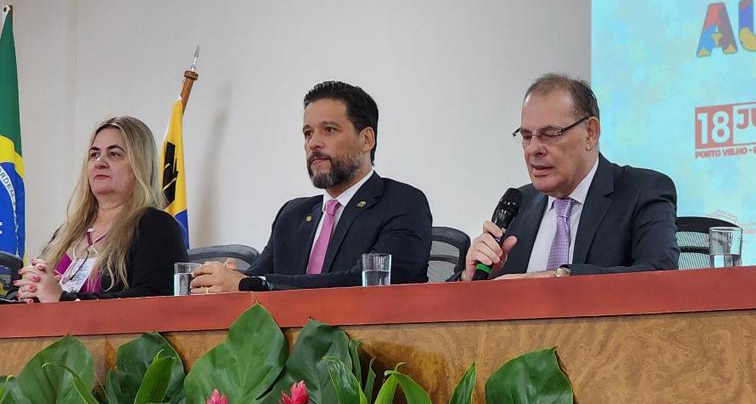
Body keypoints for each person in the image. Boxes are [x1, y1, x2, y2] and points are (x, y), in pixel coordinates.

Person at [191, 81, 432, 292]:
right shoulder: (292, 215)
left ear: (366, 139)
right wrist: (224, 280)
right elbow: (253, 278)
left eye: (329, 130)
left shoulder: (402, 203)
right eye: (308, 133)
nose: (313, 143)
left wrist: (248, 284)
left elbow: (365, 284)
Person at [462, 74, 679, 280]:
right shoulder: (519, 204)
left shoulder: (642, 191)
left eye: (550, 134)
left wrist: (556, 278)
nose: (533, 149)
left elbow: (659, 275)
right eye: (527, 136)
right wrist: (471, 279)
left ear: (590, 133)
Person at [14, 117, 187, 301]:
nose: (100, 162)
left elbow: (155, 298)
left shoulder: (156, 226)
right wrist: (30, 290)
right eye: (94, 154)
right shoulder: (67, 232)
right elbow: (43, 292)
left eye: (114, 154)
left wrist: (62, 299)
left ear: (140, 166)